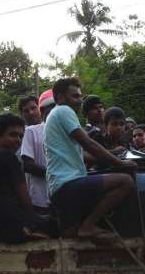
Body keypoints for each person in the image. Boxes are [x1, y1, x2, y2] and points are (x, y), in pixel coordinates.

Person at [44, 77, 136, 239]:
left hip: (58, 188)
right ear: (60, 98)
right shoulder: (64, 111)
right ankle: (89, 225)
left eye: (80, 96)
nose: (80, 100)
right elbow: (89, 144)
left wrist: (111, 155)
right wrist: (120, 163)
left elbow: (82, 154)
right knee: (125, 181)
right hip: (68, 184)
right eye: (75, 96)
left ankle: (87, 229)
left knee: (71, 236)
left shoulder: (54, 115)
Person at [0, 113, 52, 243]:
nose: (18, 140)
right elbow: (25, 198)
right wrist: (31, 224)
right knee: (60, 224)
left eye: (20, 136)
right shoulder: (8, 157)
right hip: (12, 228)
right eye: (12, 135)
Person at [21, 89, 55, 212]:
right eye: (26, 111)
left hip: (58, 193)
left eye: (33, 108)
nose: (31, 113)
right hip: (40, 198)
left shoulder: (57, 129)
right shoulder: (29, 132)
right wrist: (56, 174)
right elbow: (27, 165)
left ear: (39, 109)